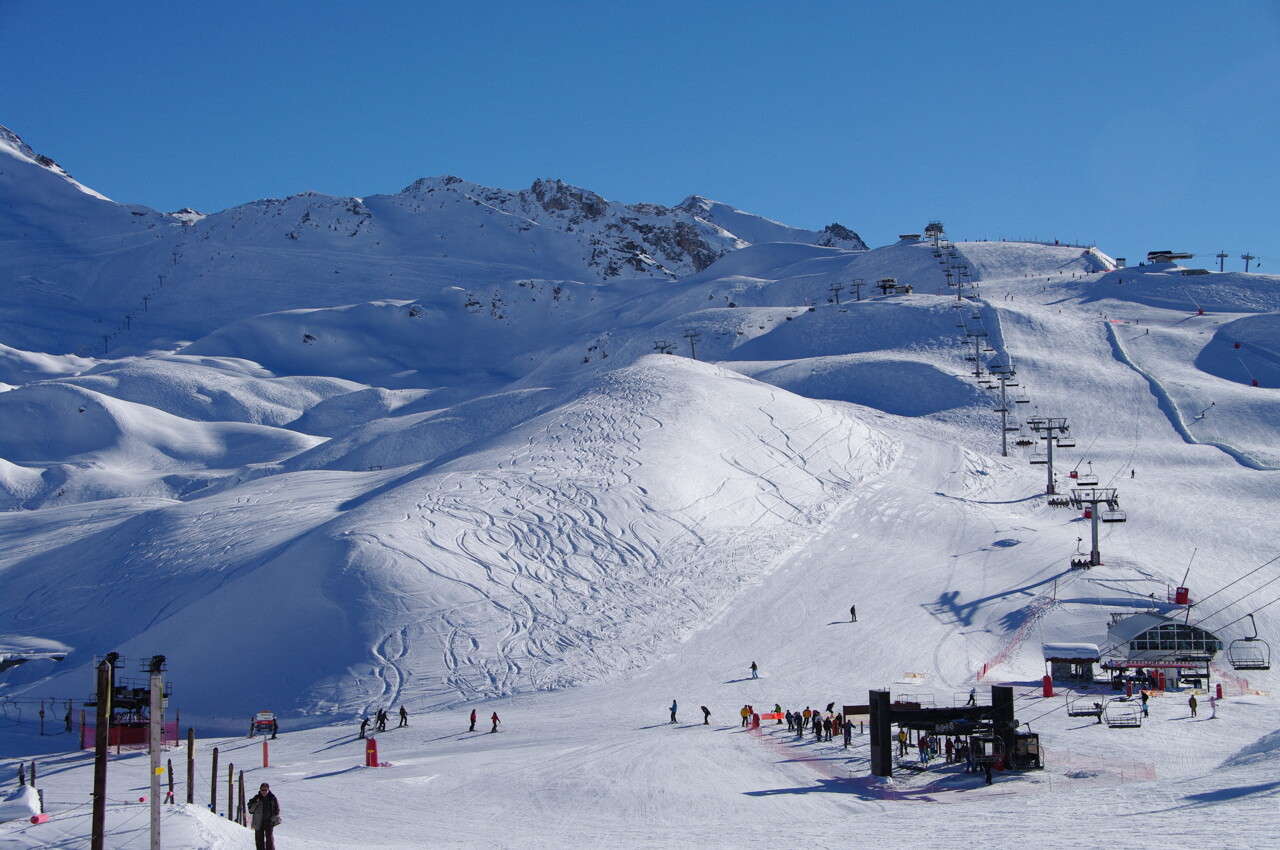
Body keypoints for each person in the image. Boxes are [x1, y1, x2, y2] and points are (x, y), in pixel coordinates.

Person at [247, 782, 280, 850]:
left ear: (268, 790)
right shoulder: (256, 798)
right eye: (262, 790)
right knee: (259, 841)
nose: (264, 792)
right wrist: (255, 803)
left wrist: (272, 820)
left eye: (265, 790)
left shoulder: (272, 798)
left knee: (269, 841)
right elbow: (251, 810)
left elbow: (277, 810)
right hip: (258, 822)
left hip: (269, 822)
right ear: (260, 790)